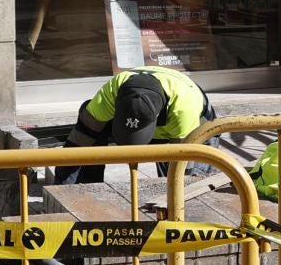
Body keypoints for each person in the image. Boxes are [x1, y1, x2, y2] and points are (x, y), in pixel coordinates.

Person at [59, 66, 215, 184]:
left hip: (190, 129)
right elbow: (77, 144)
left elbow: (183, 165)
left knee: (186, 184)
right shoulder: (112, 90)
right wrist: (65, 184)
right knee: (87, 135)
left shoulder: (184, 109)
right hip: (163, 115)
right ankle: (80, 191)